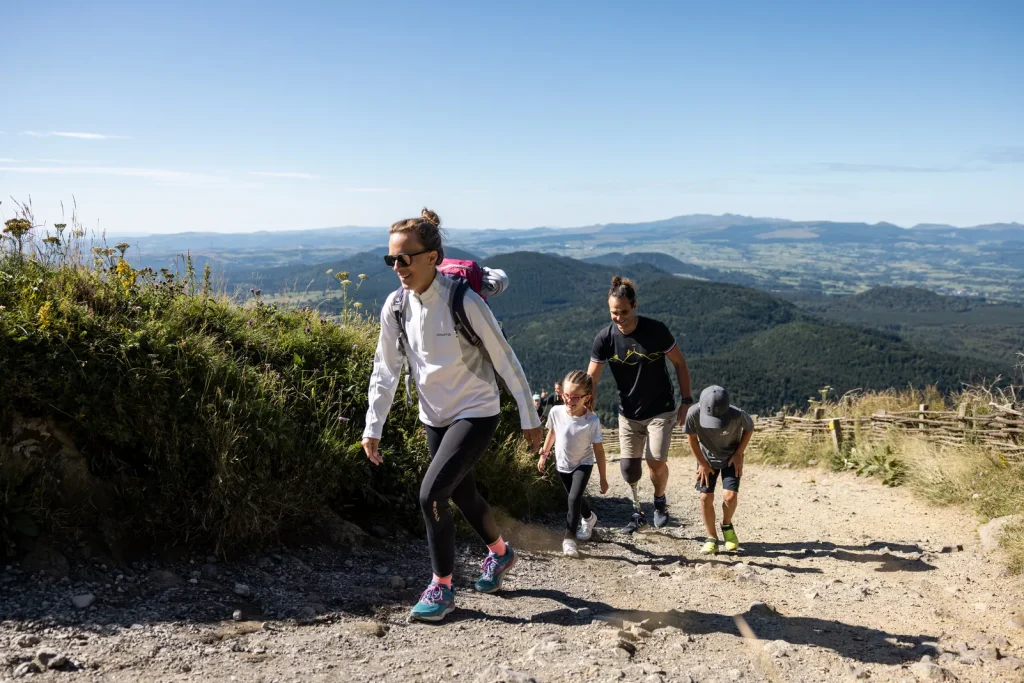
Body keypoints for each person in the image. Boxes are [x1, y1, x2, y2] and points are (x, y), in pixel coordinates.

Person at [362, 208, 543, 622]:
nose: (397, 267)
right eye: (391, 259)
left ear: (433, 257)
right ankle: (500, 554)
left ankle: (442, 587)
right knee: (461, 493)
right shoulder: (395, 307)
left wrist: (528, 415)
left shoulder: (464, 300)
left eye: (405, 258)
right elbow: (385, 369)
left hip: (476, 411)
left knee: (431, 495)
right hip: (435, 415)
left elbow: (504, 357)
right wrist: (373, 426)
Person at [587, 275, 693, 532]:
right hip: (629, 412)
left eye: (624, 311)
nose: (619, 317)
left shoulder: (656, 330)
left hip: (661, 408)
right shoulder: (605, 338)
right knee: (629, 470)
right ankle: (637, 512)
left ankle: (659, 501)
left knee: (655, 462)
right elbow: (592, 378)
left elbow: (679, 363)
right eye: (614, 312)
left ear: (635, 306)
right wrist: (586, 406)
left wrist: (686, 400)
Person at [537, 370, 609, 557]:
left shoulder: (591, 421)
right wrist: (544, 454)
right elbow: (552, 433)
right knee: (574, 497)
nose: (569, 400)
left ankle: (569, 539)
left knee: (573, 498)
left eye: (576, 397)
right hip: (562, 464)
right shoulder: (555, 412)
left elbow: (599, 451)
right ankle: (589, 517)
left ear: (587, 398)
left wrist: (603, 478)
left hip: (583, 463)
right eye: (566, 395)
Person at [682, 385, 754, 555]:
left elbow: (749, 429)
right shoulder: (693, 414)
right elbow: (691, 438)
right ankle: (711, 538)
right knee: (705, 497)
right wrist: (702, 463)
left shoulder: (738, 414)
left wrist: (738, 454)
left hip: (731, 458)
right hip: (706, 459)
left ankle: (727, 525)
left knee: (730, 496)